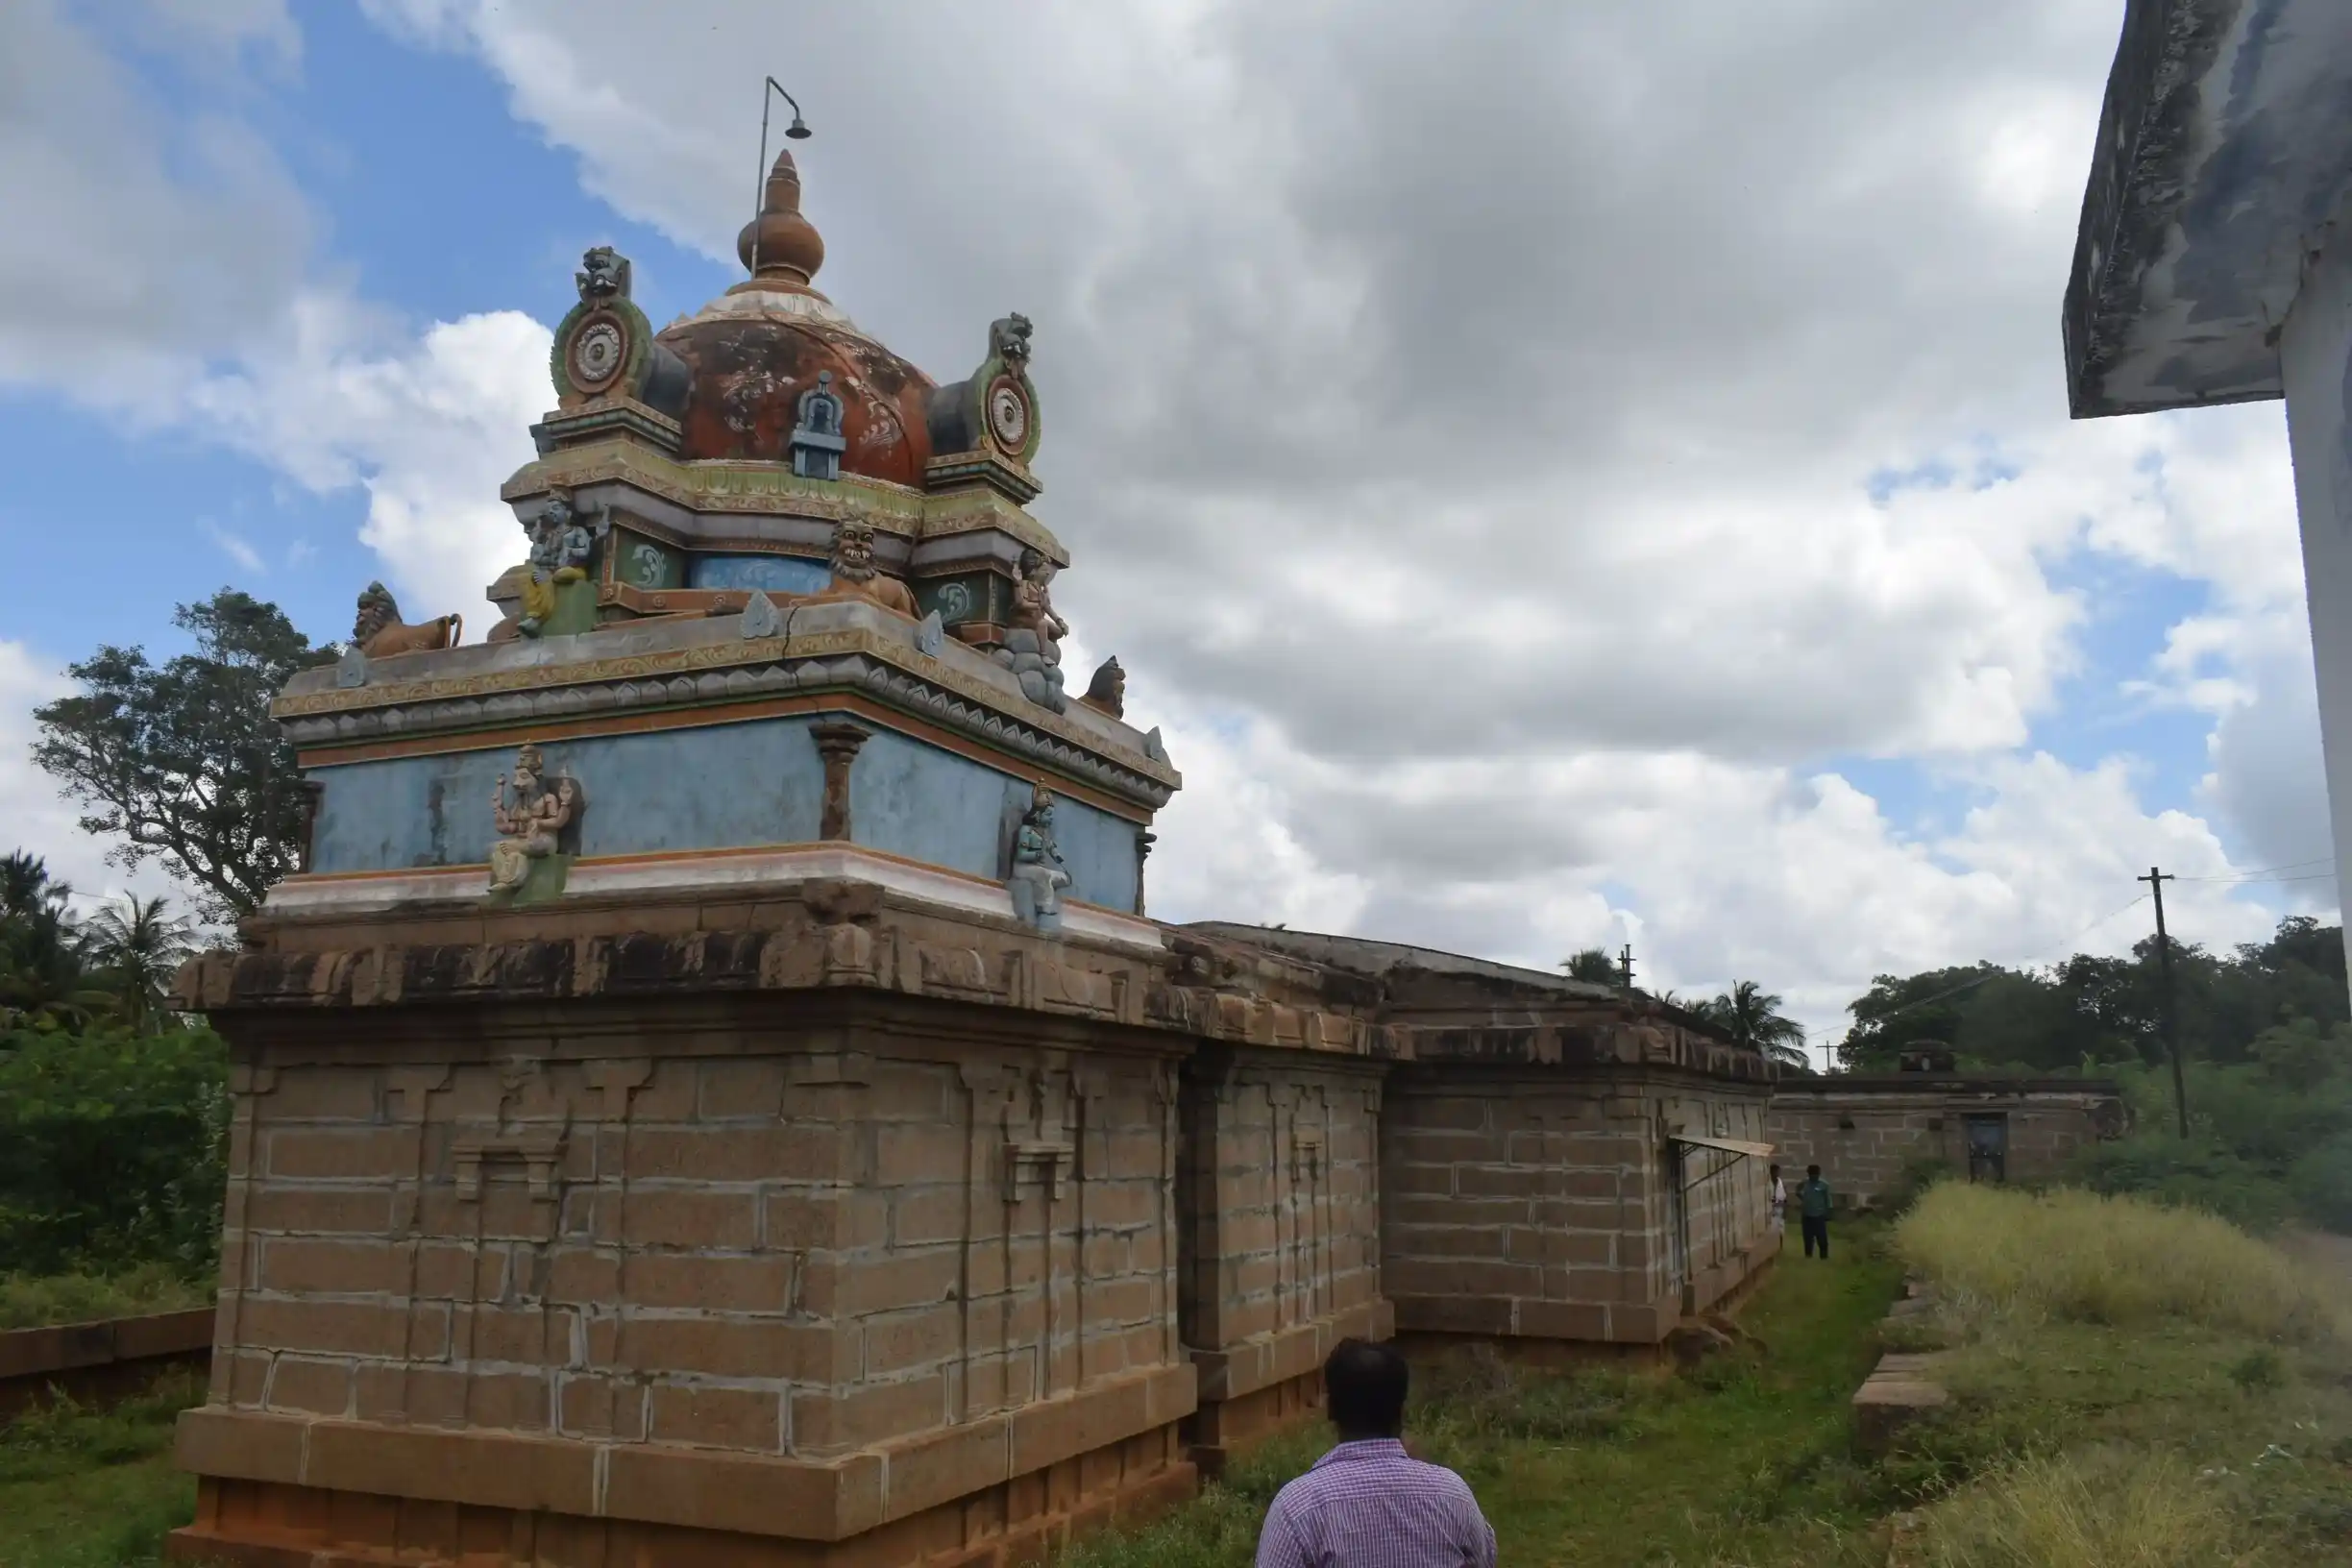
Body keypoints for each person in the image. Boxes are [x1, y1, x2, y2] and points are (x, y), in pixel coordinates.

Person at [1256, 1339, 1497, 1568]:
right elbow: (1485, 1559)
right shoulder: (1452, 1495)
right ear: (1401, 1409)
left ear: (1331, 1410)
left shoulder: (1298, 1507)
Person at [1798, 1164, 1833, 1260]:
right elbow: (1798, 1190)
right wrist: (1803, 1199)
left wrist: (1828, 1213)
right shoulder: (1805, 1183)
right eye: (1811, 1174)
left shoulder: (1824, 1185)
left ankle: (1824, 1256)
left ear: (1819, 1174)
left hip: (1819, 1215)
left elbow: (1828, 1200)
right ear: (1808, 1174)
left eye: (1815, 1174)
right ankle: (1808, 1255)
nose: (1813, 1176)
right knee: (1808, 1237)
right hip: (1807, 1214)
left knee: (1821, 1237)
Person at [1769, 1163, 1787, 1242]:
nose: (1777, 1173)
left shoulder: (1780, 1182)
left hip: (1779, 1207)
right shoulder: (1768, 1182)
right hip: (1771, 1207)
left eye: (1778, 1171)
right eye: (1775, 1171)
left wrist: (1785, 1209)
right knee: (1772, 1229)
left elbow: (1784, 1197)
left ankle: (1780, 1245)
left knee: (1781, 1228)